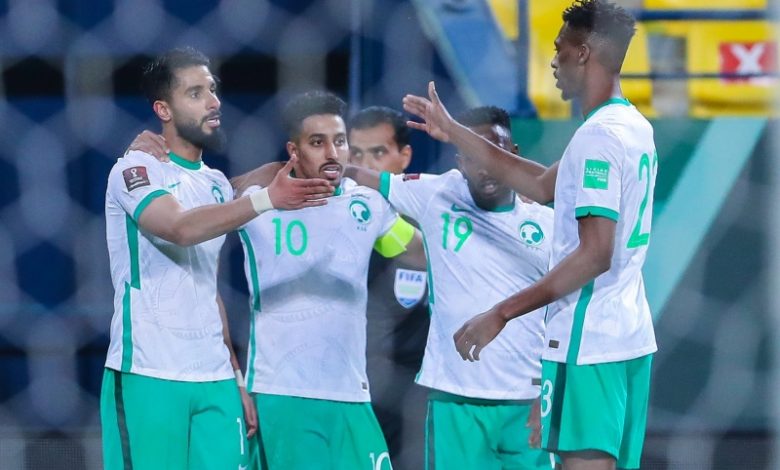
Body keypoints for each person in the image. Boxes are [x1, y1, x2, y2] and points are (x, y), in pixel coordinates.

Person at [402, 1, 658, 469]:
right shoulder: (632, 127)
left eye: (559, 49)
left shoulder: (599, 138)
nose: (553, 61)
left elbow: (595, 254)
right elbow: (540, 185)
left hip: (586, 344)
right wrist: (455, 131)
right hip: (629, 337)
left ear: (583, 53)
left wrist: (501, 313)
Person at [101, 47, 333, 470]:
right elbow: (179, 227)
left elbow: (207, 288)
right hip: (149, 372)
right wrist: (267, 200)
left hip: (216, 379)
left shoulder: (215, 184)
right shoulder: (136, 170)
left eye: (212, 89)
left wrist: (236, 376)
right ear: (163, 110)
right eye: (195, 93)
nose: (213, 102)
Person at [345, 105, 553, 469]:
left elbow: (565, 316)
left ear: (514, 153)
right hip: (454, 401)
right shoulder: (437, 195)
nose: (485, 166)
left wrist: (550, 394)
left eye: (495, 152)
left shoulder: (549, 225)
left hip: (527, 402)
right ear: (459, 161)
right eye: (472, 155)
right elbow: (356, 176)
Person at [237, 91, 423, 470]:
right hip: (285, 392)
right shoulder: (258, 204)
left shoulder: (366, 204)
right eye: (317, 143)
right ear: (294, 151)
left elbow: (421, 252)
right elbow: (202, 196)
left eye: (339, 141)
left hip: (352, 393)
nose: (333, 153)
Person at [348, 106, 430, 470]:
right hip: (345, 382)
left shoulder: (433, 219)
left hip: (413, 391)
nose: (365, 166)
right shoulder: (329, 217)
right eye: (355, 154)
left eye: (378, 153)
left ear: (404, 156)